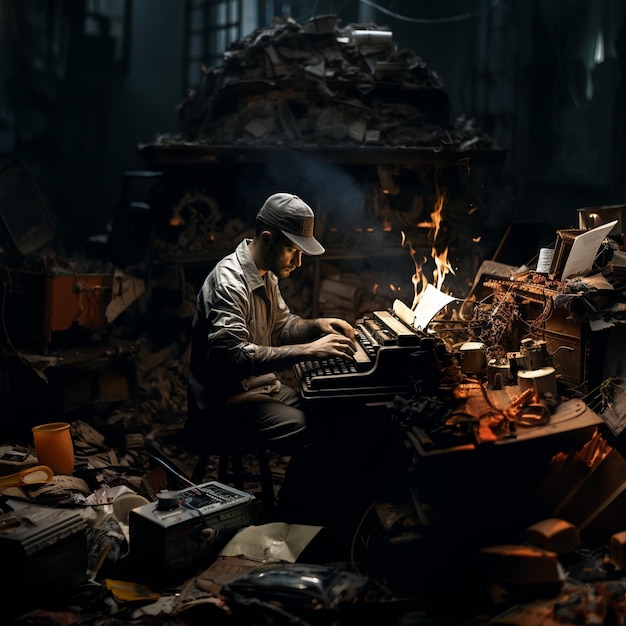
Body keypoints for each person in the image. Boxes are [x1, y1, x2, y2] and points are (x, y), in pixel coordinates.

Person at [186, 192, 357, 520]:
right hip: (225, 403)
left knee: (332, 414)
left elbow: (282, 326)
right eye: (293, 250)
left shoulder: (265, 274)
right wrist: (308, 351)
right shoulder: (229, 283)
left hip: (260, 388)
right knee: (313, 434)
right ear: (267, 239)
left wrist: (315, 326)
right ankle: (292, 517)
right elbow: (231, 357)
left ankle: (313, 508)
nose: (298, 261)